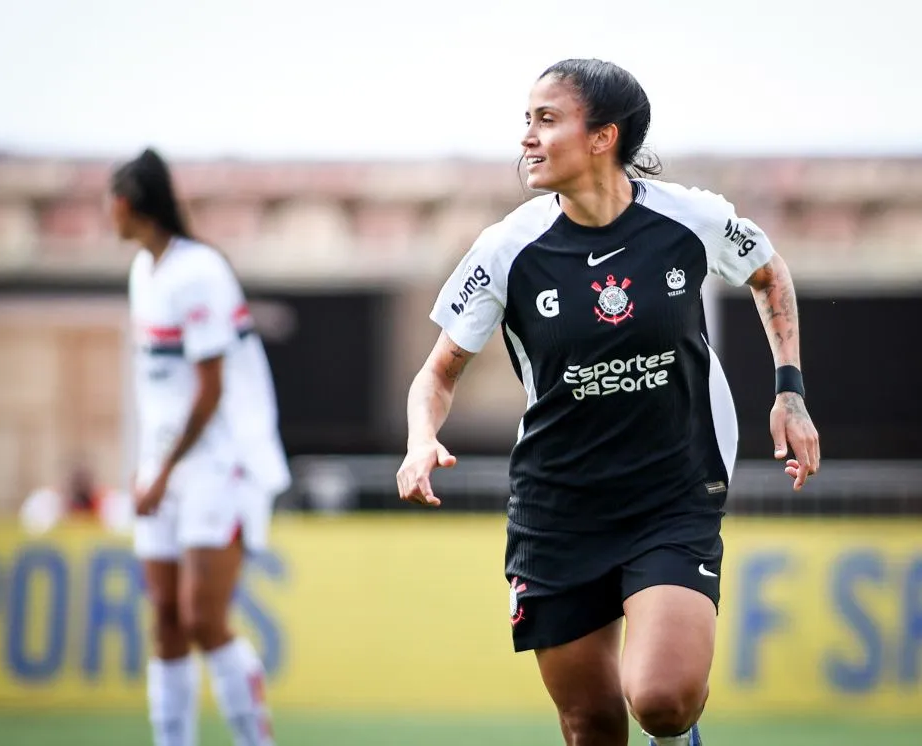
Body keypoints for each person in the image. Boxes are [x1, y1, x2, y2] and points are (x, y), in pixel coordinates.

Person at [396, 59, 820, 746]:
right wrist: (421, 439)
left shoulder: (691, 218)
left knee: (660, 700)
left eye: (545, 120)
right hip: (559, 509)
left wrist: (789, 391)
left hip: (671, 495)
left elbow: (769, 275)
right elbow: (436, 374)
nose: (527, 139)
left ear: (602, 136)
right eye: (525, 122)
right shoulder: (507, 249)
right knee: (589, 725)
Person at [110, 148, 291, 746]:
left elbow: (210, 388)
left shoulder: (201, 272)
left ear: (127, 204)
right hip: (166, 466)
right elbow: (157, 389)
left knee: (202, 618)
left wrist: (163, 469)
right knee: (164, 619)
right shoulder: (144, 273)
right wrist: (147, 466)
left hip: (219, 462)